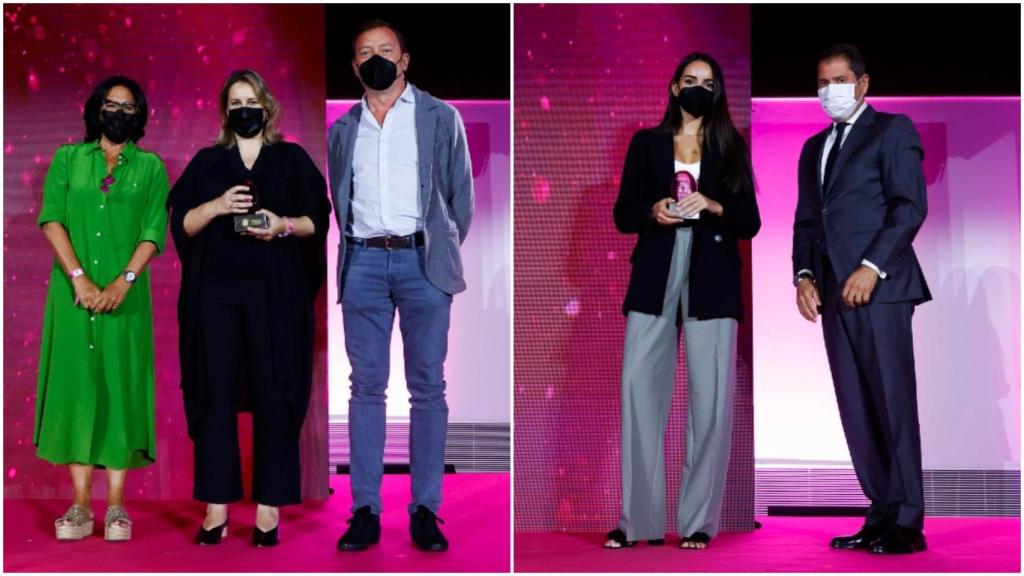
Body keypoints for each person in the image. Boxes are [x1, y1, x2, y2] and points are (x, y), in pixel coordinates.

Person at [605, 52, 760, 551]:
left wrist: (713, 204)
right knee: (638, 391)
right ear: (674, 88)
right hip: (655, 269)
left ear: (717, 92)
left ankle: (698, 522)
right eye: (690, 81)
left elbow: (750, 220)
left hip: (713, 275)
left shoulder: (730, 146)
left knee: (710, 400)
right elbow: (623, 214)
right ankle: (638, 522)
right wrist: (653, 211)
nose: (698, 88)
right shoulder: (647, 143)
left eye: (708, 82)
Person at [168, 69, 330, 547]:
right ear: (226, 110)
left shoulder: (292, 159)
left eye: (251, 100)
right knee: (215, 395)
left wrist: (282, 223)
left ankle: (268, 508)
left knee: (274, 394)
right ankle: (216, 506)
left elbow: (316, 222)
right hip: (215, 296)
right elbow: (184, 224)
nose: (244, 109)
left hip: (275, 296)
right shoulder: (207, 161)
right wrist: (218, 204)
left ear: (266, 107)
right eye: (236, 101)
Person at [328, 20, 473, 553]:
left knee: (428, 388)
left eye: (386, 51)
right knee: (366, 389)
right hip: (363, 263)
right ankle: (364, 508)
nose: (376, 59)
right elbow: (338, 198)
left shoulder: (440, 117)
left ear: (405, 60)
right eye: (365, 53)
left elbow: (461, 199)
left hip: (423, 264)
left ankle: (426, 510)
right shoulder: (343, 129)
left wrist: (436, 253)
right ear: (354, 66)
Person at [792, 43, 930, 555]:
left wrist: (872, 267)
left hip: (883, 289)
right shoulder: (813, 148)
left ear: (864, 83)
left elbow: (908, 207)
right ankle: (880, 513)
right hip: (833, 294)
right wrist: (804, 276)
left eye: (841, 80)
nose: (832, 91)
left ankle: (907, 524)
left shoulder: (892, 130)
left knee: (893, 405)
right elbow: (808, 219)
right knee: (856, 408)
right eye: (823, 83)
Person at [35, 75, 169, 542]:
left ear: (139, 116)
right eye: (111, 105)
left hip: (125, 302)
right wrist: (80, 279)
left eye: (128, 107)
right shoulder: (68, 159)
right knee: (76, 391)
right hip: (73, 299)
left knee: (119, 389)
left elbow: (154, 231)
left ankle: (115, 507)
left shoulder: (150, 167)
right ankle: (78, 506)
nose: (118, 113)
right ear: (96, 110)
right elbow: (52, 218)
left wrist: (122, 281)